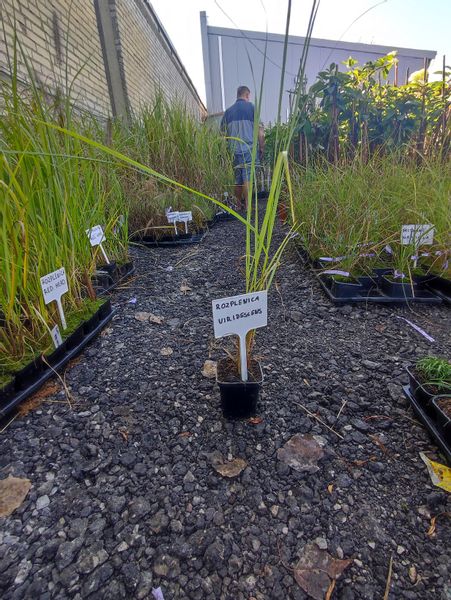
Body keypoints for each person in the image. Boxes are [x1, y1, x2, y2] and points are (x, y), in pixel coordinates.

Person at [220, 86, 264, 211]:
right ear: (247, 95)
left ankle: (238, 205)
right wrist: (261, 147)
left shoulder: (228, 112)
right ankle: (249, 207)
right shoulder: (252, 108)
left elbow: (222, 133)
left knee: (238, 178)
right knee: (248, 177)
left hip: (233, 150)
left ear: (237, 94)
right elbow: (260, 132)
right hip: (249, 149)